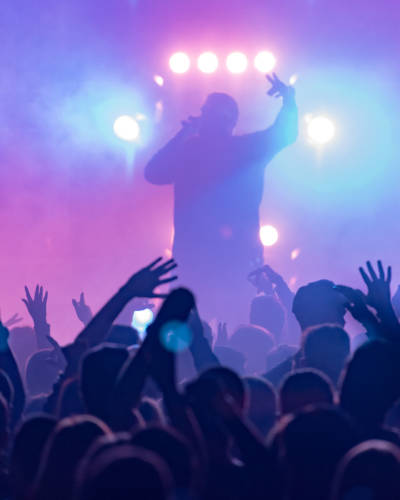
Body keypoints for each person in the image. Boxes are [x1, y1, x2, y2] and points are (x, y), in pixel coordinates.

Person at [145, 74, 298, 323]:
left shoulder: (196, 151)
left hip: (200, 257)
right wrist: (289, 101)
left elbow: (153, 172)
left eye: (208, 112)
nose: (204, 117)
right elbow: (285, 133)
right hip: (229, 257)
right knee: (231, 323)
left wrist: (183, 135)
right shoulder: (241, 149)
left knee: (191, 328)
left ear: (223, 119)